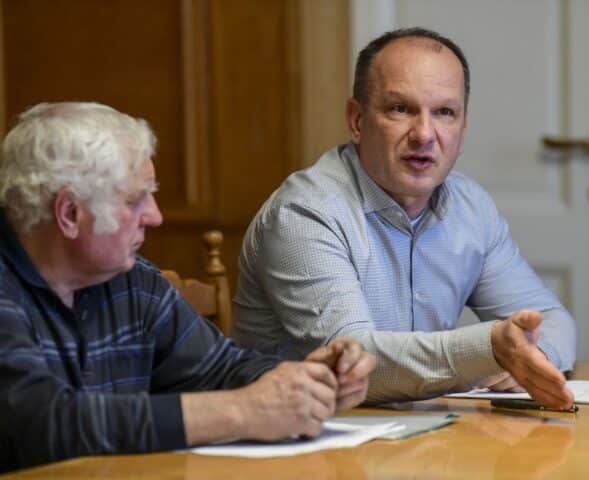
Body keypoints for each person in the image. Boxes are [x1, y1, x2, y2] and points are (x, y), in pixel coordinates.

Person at [0, 102, 375, 472]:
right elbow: (39, 424)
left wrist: (313, 382)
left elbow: (221, 370)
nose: (155, 216)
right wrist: (241, 411)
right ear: (69, 213)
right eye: (136, 199)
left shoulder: (131, 280)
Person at [233, 27, 576, 409]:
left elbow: (552, 320)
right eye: (401, 109)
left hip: (422, 433)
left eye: (444, 112)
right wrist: (491, 350)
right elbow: (353, 366)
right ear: (357, 120)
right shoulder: (303, 214)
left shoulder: (471, 207)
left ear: (463, 129)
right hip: (309, 436)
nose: (424, 134)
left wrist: (531, 358)